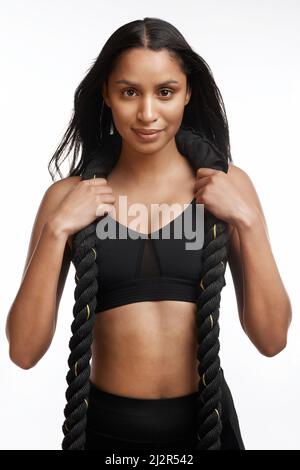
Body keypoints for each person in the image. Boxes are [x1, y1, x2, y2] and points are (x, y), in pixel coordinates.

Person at [6, 17, 292, 452]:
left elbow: (272, 340)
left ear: (187, 92)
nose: (147, 113)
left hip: (206, 430)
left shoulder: (230, 187)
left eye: (165, 92)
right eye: (129, 92)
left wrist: (247, 222)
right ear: (106, 93)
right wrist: (57, 229)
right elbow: (23, 352)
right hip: (107, 433)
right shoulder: (66, 199)